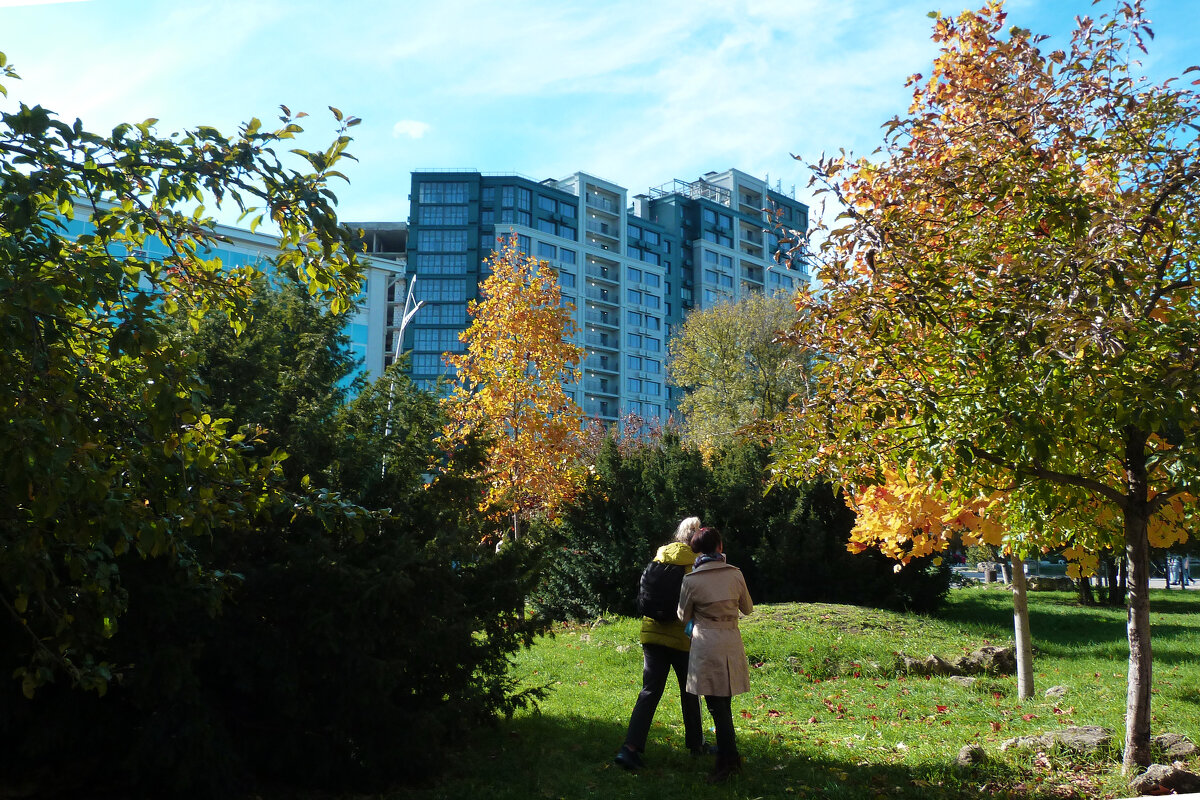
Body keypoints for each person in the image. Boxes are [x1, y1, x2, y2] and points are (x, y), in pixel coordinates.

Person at [614, 517, 707, 770]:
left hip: (651, 634)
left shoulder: (659, 558)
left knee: (649, 691)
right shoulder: (695, 565)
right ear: (697, 538)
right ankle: (696, 744)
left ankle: (629, 748)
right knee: (690, 691)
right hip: (680, 638)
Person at [678, 526, 754, 783]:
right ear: (720, 547)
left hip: (706, 642)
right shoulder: (735, 574)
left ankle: (727, 762)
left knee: (716, 706)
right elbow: (748, 609)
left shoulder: (692, 580)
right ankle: (730, 759)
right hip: (730, 640)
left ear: (696, 551)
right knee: (725, 703)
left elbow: (682, 615)